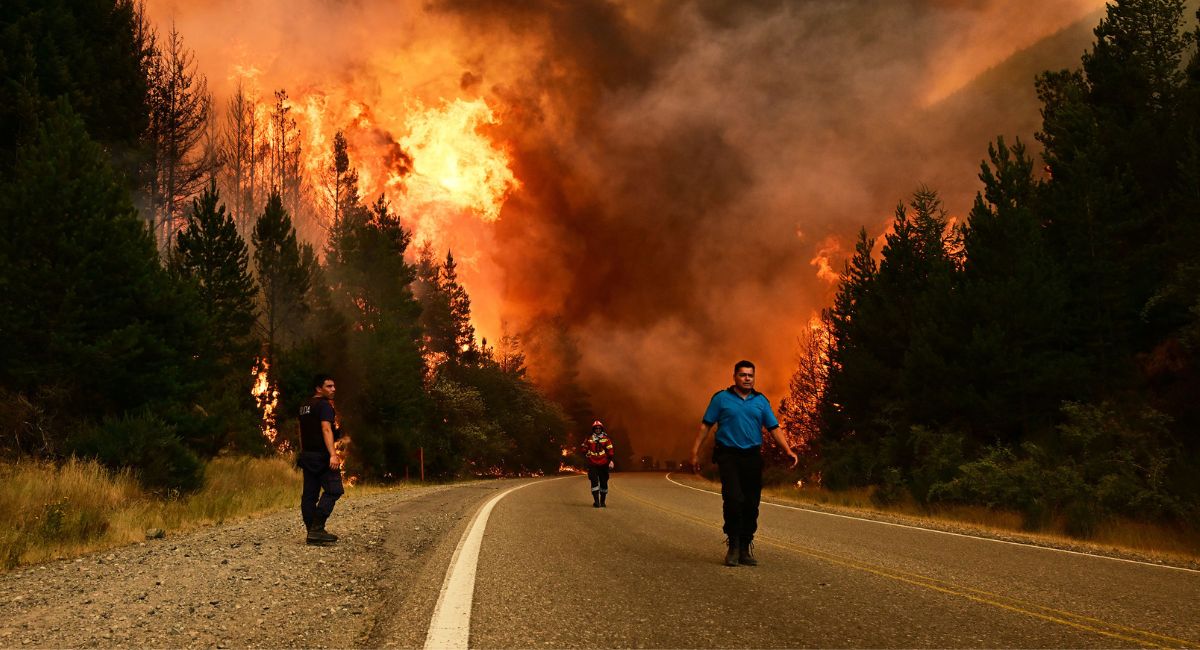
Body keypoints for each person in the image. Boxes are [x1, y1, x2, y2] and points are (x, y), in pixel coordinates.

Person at [691, 360, 798, 567]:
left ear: (754, 377)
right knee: (733, 499)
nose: (747, 378)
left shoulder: (761, 401)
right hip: (728, 456)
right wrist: (694, 452)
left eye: (750, 375)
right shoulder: (721, 399)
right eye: (743, 375)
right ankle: (733, 545)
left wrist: (787, 450)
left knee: (751, 503)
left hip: (752, 457)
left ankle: (744, 547)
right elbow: (706, 426)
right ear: (734, 377)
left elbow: (774, 428)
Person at [298, 374, 345, 545]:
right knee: (334, 490)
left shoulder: (304, 406)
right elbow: (326, 429)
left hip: (308, 456)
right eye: (329, 386)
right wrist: (333, 454)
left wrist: (303, 452)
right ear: (319, 388)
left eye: (334, 386)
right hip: (322, 456)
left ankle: (312, 532)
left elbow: (301, 430)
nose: (333, 389)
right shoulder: (324, 405)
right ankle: (317, 529)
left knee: (310, 495)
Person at [581, 419, 615, 508]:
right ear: (593, 429)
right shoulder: (589, 438)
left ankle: (602, 502)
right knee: (594, 482)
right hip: (593, 464)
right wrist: (585, 450)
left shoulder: (606, 439)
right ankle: (596, 502)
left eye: (599, 428)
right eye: (596, 428)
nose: (598, 430)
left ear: (601, 429)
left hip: (604, 464)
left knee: (604, 483)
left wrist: (610, 460)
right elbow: (584, 449)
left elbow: (610, 450)